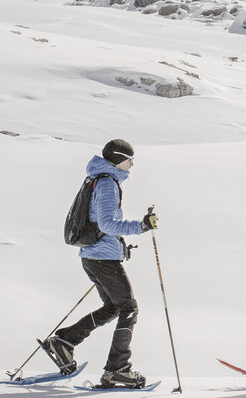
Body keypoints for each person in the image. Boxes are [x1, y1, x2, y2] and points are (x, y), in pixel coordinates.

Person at [41, 139, 158, 389]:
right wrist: (142, 226)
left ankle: (64, 343)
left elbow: (101, 223)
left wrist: (120, 245)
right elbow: (106, 224)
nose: (132, 164)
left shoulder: (100, 180)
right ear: (118, 159)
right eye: (129, 159)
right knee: (129, 307)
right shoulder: (107, 183)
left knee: (114, 307)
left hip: (94, 257)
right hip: (102, 258)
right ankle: (117, 370)